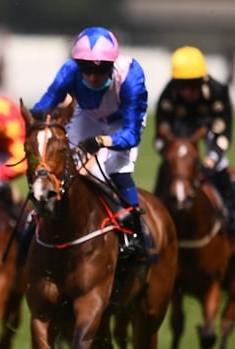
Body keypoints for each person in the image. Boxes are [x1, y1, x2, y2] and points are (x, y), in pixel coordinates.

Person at [30, 26, 148, 259]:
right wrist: (31, 123)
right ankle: (33, 227)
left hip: (121, 123)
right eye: (86, 69)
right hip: (87, 116)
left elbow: (131, 134)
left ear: (112, 65)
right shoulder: (68, 71)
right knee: (60, 162)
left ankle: (135, 233)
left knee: (114, 169)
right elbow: (44, 107)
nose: (93, 77)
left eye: (102, 70)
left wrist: (102, 141)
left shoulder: (131, 77)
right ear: (77, 65)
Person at [154, 45, 235, 234]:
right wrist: (172, 155)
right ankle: (157, 214)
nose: (187, 91)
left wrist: (211, 158)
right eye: (181, 85)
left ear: (202, 80)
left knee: (220, 167)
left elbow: (223, 133)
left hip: (209, 129)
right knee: (167, 168)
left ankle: (233, 213)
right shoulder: (168, 95)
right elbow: (160, 135)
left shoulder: (218, 92)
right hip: (180, 133)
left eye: (192, 84)